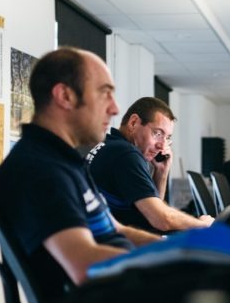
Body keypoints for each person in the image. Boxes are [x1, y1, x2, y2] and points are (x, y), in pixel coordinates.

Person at [0, 47, 161, 300]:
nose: (115, 109)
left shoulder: (67, 162)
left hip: (125, 296)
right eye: (105, 93)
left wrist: (176, 248)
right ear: (65, 96)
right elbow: (84, 265)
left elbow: (118, 230)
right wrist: (174, 263)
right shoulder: (39, 168)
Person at [86, 97, 214, 233]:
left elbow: (151, 211)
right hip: (118, 246)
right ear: (133, 123)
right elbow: (161, 220)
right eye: (157, 133)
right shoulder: (126, 154)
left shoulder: (111, 145)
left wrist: (161, 172)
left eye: (167, 137)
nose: (162, 145)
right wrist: (201, 224)